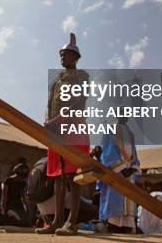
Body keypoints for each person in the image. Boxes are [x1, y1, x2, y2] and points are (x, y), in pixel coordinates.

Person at [35, 33, 90, 236]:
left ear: (75, 57)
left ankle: (72, 221)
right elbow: (50, 104)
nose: (62, 57)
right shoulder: (57, 80)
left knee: (73, 175)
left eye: (66, 54)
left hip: (73, 126)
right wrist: (47, 121)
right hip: (56, 130)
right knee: (58, 175)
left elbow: (78, 101)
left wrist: (58, 120)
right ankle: (58, 220)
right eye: (61, 54)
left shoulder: (82, 75)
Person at [98, 117, 139, 233]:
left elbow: (134, 152)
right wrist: (121, 168)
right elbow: (107, 151)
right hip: (116, 173)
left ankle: (126, 227)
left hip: (128, 174)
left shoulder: (130, 133)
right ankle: (113, 226)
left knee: (128, 202)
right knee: (114, 199)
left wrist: (133, 168)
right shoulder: (110, 130)